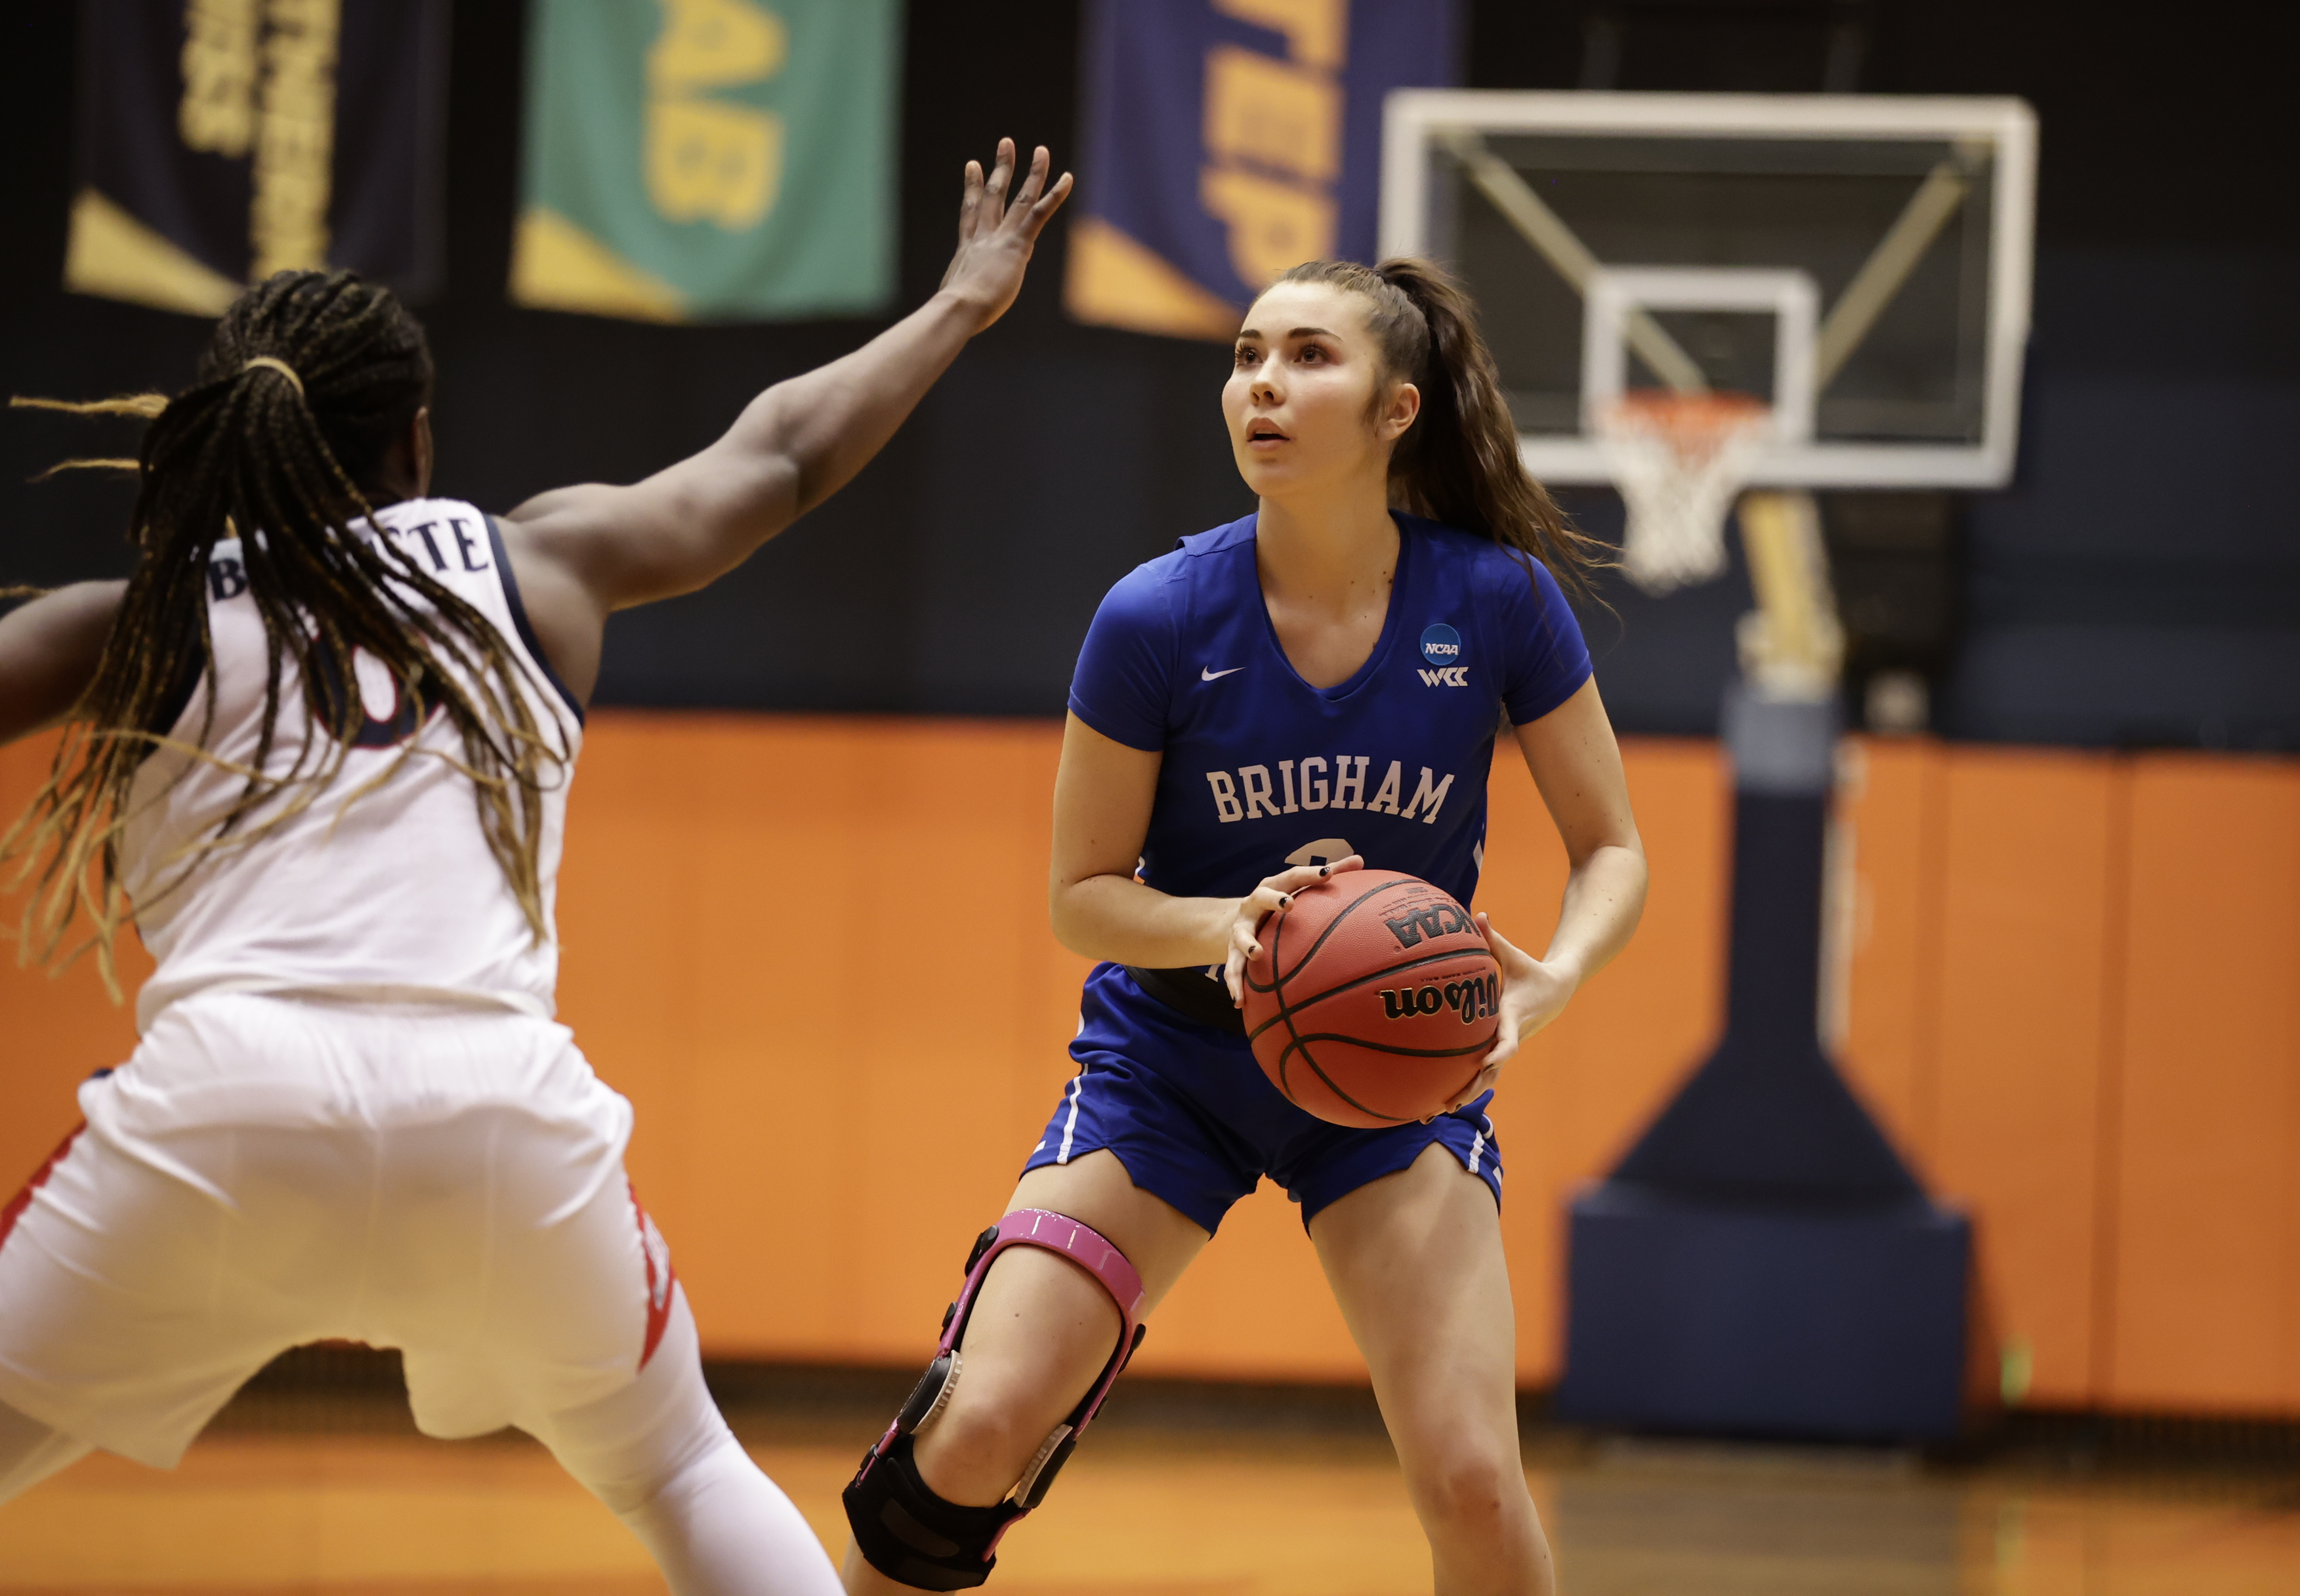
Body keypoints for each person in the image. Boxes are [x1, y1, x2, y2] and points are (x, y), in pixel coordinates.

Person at [0, 140, 1071, 1596]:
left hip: (221, 1115)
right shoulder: (536, 565)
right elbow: (780, 457)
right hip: (498, 1120)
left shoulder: (141, 618)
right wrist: (957, 302)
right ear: (419, 442)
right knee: (683, 1469)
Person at [839, 257, 1648, 1595]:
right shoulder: (1156, 615)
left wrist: (1553, 978)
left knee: (1471, 1479)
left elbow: (1612, 844)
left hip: (1392, 1083)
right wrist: (1228, 924)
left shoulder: (1494, 603)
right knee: (979, 1422)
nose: (1262, 382)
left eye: (1308, 357)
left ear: (1398, 409)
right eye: (1246, 354)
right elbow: (1080, 896)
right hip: (1170, 1068)